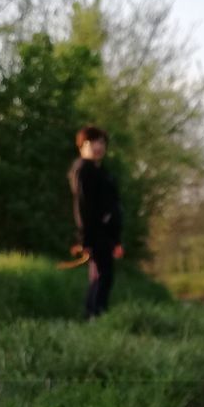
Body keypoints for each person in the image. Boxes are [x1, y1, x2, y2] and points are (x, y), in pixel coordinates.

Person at [67, 125, 124, 319]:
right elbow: (83, 208)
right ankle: (94, 315)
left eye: (101, 142)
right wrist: (86, 241)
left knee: (104, 276)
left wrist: (115, 240)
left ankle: (96, 315)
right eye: (91, 142)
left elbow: (113, 206)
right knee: (101, 276)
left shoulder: (103, 172)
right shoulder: (83, 170)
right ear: (82, 146)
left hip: (106, 236)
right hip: (95, 234)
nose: (97, 147)